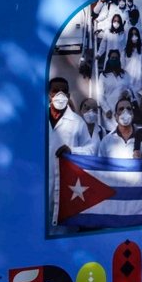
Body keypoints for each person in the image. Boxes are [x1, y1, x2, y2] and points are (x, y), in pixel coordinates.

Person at [47, 77, 97, 230]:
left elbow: (91, 150)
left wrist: (72, 151)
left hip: (68, 187)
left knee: (64, 230)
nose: (59, 95)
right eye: (56, 91)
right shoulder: (37, 119)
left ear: (68, 96)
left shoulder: (77, 122)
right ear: (49, 94)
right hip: (40, 185)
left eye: (64, 91)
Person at [100, 50, 135, 131]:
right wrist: (106, 109)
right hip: (109, 112)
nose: (114, 60)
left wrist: (128, 92)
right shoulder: (103, 76)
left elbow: (131, 89)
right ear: (108, 59)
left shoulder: (125, 74)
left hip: (123, 111)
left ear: (119, 60)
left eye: (116, 58)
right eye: (112, 58)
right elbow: (99, 95)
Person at [122, 26, 142, 95]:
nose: (134, 37)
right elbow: (122, 67)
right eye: (132, 35)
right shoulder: (125, 51)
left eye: (136, 34)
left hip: (138, 83)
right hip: (127, 81)